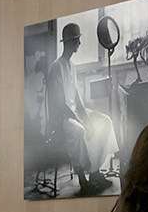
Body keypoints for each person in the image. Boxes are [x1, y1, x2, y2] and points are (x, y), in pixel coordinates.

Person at [45, 22, 118, 195]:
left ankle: (95, 172)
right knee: (79, 130)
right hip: (62, 117)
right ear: (69, 42)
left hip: (74, 112)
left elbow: (77, 99)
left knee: (104, 121)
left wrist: (86, 117)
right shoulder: (57, 66)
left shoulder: (72, 66)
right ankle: (82, 179)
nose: (79, 43)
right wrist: (83, 122)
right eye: (77, 40)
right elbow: (62, 104)